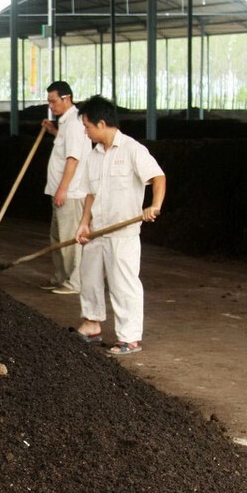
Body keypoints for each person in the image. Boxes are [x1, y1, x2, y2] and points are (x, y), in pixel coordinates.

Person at [71, 95, 165, 356]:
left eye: (87, 126)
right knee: (88, 278)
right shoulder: (94, 155)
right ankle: (92, 324)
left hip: (123, 233)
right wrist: (83, 223)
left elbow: (158, 177)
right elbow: (91, 193)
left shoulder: (132, 150)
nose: (86, 132)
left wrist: (154, 206)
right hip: (97, 230)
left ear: (101, 124)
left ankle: (130, 338)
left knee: (123, 283)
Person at [39, 81, 90, 295]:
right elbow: (66, 146)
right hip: (59, 191)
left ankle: (75, 282)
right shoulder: (66, 124)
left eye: (53, 101)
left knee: (71, 239)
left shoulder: (76, 123)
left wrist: (63, 189)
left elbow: (73, 158)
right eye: (49, 101)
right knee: (58, 237)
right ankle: (60, 277)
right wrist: (53, 131)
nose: (51, 106)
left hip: (70, 192)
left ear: (66, 98)